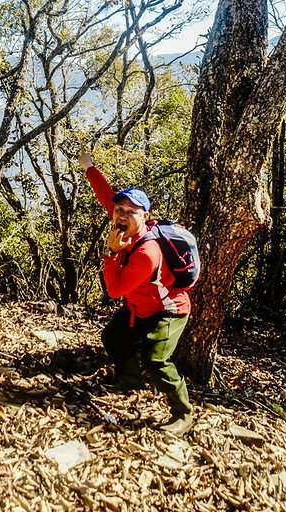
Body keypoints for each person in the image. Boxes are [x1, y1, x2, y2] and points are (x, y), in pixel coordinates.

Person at [78, 148, 193, 436]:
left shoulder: (147, 252)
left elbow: (115, 290)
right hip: (140, 307)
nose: (123, 214)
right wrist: (89, 168)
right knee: (113, 337)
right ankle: (130, 382)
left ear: (145, 217)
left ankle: (183, 412)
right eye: (120, 209)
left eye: (132, 211)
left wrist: (111, 253)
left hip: (168, 310)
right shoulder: (124, 224)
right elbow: (107, 195)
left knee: (156, 361)